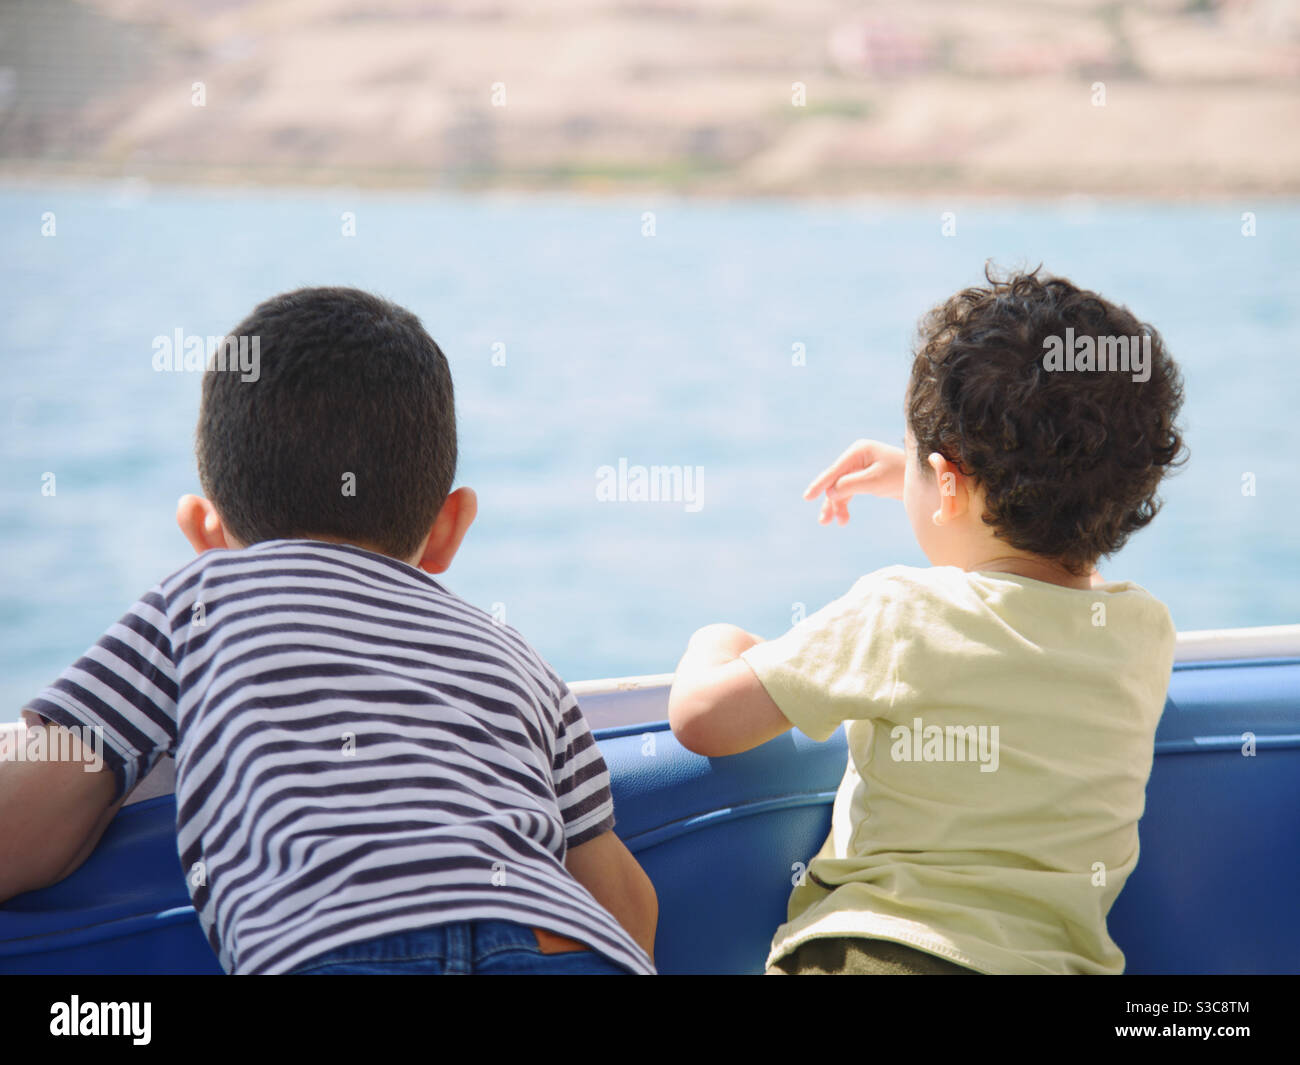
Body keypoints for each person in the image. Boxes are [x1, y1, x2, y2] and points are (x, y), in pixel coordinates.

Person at [0, 286, 657, 975]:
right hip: (568, 949)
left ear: (205, 532)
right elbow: (628, 907)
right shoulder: (520, 660)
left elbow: (24, 826)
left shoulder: (196, 600)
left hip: (338, 947)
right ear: (449, 528)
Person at [668, 266, 1186, 975]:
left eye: (914, 456)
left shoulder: (901, 615)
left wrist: (717, 640)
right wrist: (935, 482)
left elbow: (702, 719)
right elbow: (1051, 594)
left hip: (883, 952)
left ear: (949, 483)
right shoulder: (1143, 633)